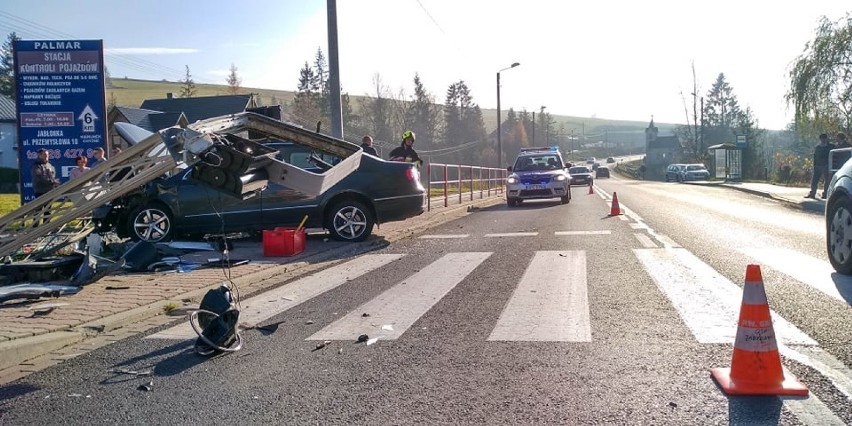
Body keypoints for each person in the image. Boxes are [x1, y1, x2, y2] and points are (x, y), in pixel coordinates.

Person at [806, 133, 834, 199]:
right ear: (820, 139)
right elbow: (815, 156)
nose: (823, 140)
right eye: (822, 139)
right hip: (817, 166)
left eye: (824, 138)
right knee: (814, 180)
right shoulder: (818, 147)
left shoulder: (830, 146)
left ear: (826, 139)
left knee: (827, 181)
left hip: (826, 165)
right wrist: (814, 165)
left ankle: (825, 194)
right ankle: (812, 193)